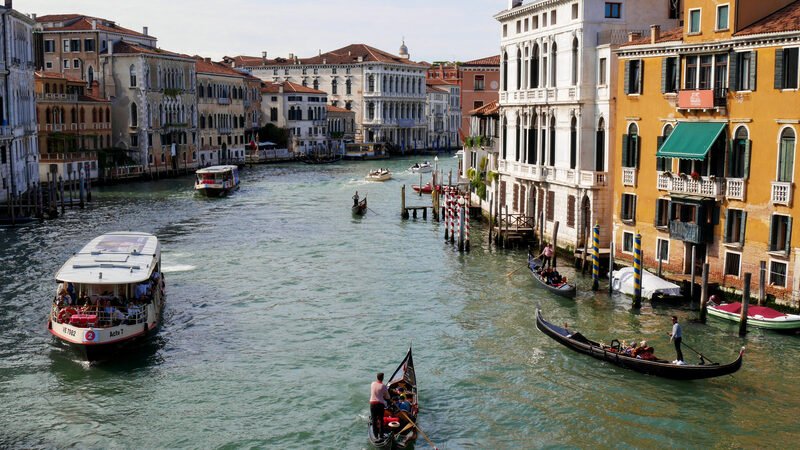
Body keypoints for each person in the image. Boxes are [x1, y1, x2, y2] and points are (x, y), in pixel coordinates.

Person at [369, 372, 390, 437]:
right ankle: (381, 435)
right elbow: (388, 397)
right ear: (383, 378)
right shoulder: (383, 386)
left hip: (372, 404)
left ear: (377, 377)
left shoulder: (372, 384)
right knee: (381, 419)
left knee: (374, 419)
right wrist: (384, 395)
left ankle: (375, 435)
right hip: (380, 405)